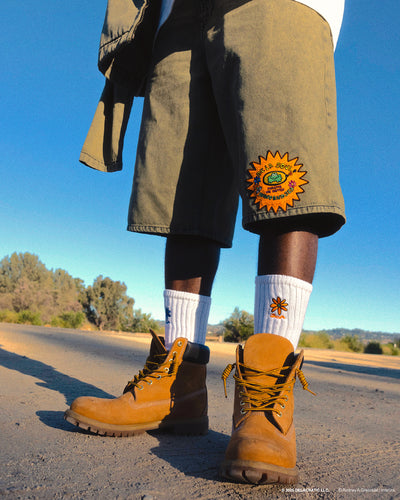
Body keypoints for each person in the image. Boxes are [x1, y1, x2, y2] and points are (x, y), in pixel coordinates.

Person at [65, 0, 346, 485]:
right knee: (182, 192)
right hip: (175, 16)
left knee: (281, 172)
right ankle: (180, 388)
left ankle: (267, 395)